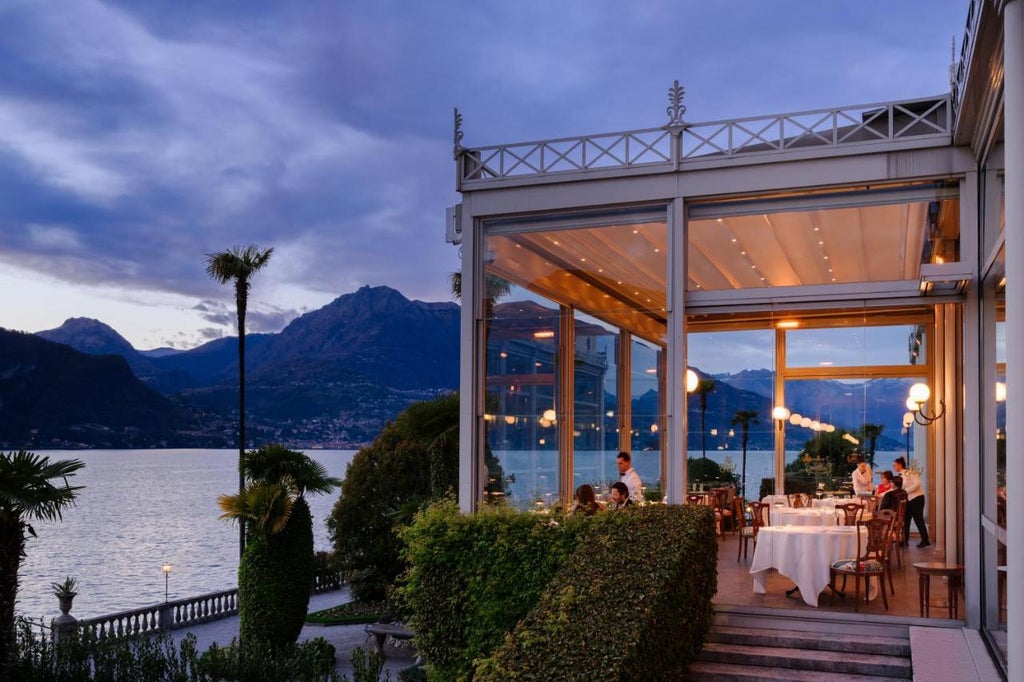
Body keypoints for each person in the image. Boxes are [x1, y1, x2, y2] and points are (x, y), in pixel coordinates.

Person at [894, 456, 929, 547]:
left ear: (900, 465)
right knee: (906, 519)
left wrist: (906, 491)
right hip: (908, 500)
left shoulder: (910, 472)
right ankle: (905, 541)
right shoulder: (899, 476)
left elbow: (918, 484)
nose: (893, 467)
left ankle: (925, 540)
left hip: (917, 498)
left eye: (895, 465)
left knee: (918, 520)